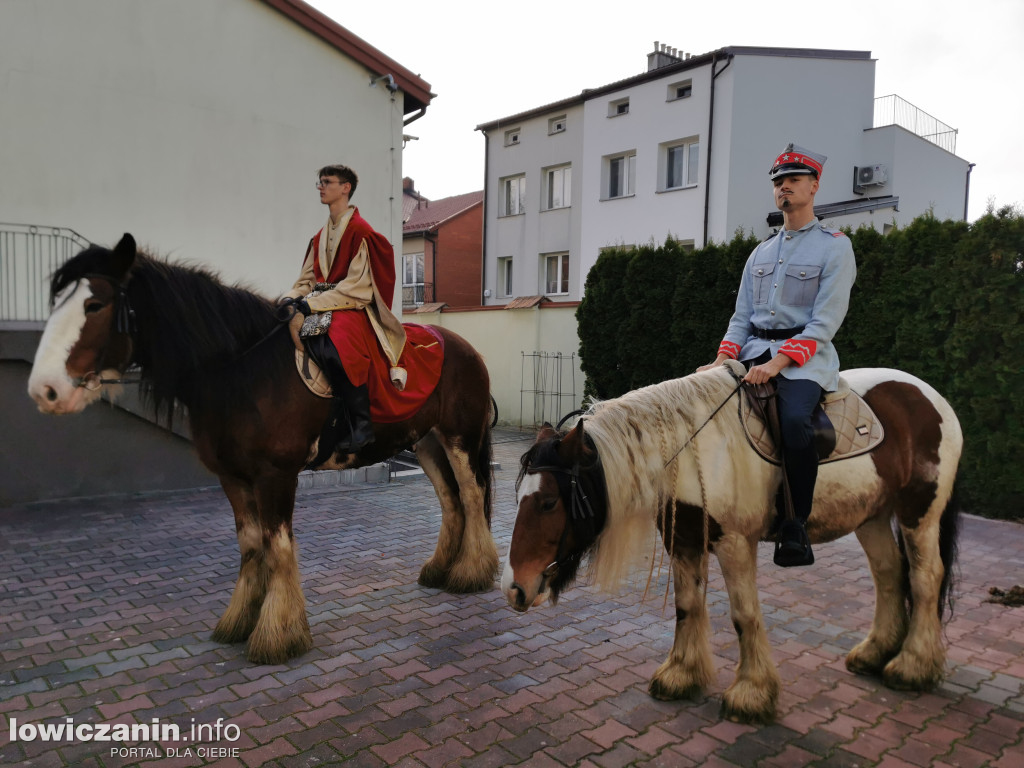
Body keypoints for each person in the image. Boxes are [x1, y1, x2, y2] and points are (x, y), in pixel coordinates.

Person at [698, 143, 856, 567]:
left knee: (793, 422)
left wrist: (777, 364)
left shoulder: (834, 247)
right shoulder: (761, 252)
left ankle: (795, 524)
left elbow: (824, 323)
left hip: (806, 360)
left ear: (814, 187)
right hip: (752, 352)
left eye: (794, 180)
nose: (783, 187)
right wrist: (719, 362)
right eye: (778, 182)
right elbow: (741, 317)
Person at [281, 164, 406, 463]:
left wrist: (313, 304)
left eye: (327, 182)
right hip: (322, 302)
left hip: (350, 306)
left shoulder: (362, 233)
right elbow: (307, 281)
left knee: (337, 343)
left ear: (345, 188)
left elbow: (356, 287)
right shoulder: (319, 237)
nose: (321, 187)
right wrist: (291, 298)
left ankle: (362, 423)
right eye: (320, 182)